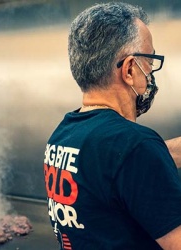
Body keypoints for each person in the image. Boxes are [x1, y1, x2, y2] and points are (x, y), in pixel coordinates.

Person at [43, 2, 181, 249]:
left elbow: (121, 167)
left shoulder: (63, 135)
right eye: (149, 62)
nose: (150, 73)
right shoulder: (136, 145)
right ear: (129, 69)